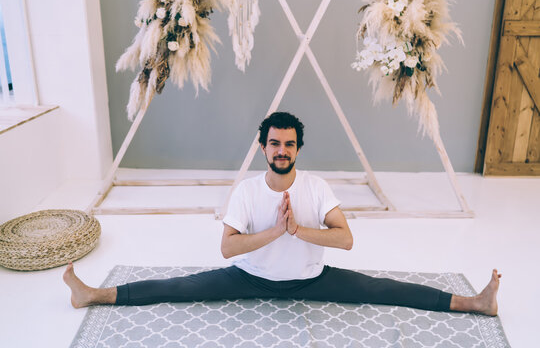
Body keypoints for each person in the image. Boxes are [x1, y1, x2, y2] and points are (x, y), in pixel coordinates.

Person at [64, 112, 500, 316]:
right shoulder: (247, 192)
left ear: (297, 149)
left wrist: (299, 230)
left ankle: (473, 303)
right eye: (274, 143)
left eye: (289, 144)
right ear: (263, 147)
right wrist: (275, 232)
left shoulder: (316, 187)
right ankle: (94, 295)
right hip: (248, 277)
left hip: (313, 279)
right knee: (180, 286)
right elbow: (227, 248)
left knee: (383, 289)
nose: (282, 150)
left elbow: (345, 239)